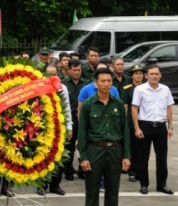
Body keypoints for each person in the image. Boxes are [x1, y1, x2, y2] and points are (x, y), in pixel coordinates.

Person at [78, 68, 131, 206]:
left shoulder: (118, 103)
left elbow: (124, 130)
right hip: (94, 150)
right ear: (96, 83)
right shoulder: (88, 105)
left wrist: (126, 155)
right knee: (92, 191)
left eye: (109, 81)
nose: (106, 84)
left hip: (115, 150)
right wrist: (83, 157)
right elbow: (82, 132)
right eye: (102, 81)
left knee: (113, 192)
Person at [132, 65, 175, 195]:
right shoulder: (140, 89)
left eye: (156, 74)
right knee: (143, 157)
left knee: (162, 157)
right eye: (151, 74)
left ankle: (162, 185)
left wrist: (170, 126)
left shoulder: (165, 89)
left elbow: (169, 108)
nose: (154, 76)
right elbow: (134, 109)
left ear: (160, 75)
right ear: (146, 75)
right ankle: (144, 184)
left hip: (161, 127)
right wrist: (137, 128)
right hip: (145, 126)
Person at [37, 65, 73, 196]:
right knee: (42, 157)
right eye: (49, 74)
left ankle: (55, 185)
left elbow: (67, 108)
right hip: (43, 127)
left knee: (58, 157)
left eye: (54, 74)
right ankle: (41, 185)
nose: (52, 76)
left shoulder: (63, 88)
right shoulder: (38, 88)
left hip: (59, 127)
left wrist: (69, 127)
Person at [61, 59, 88, 180]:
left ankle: (83, 170)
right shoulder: (64, 84)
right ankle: (68, 171)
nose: (77, 73)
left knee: (82, 145)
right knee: (69, 146)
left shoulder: (86, 83)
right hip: (69, 118)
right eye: (74, 70)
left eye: (79, 70)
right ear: (69, 70)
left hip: (83, 118)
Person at [120, 64, 145, 182]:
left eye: (140, 73)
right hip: (131, 121)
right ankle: (132, 171)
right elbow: (125, 107)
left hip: (145, 121)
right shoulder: (127, 88)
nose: (138, 75)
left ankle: (141, 171)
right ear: (132, 76)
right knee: (132, 147)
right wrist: (124, 122)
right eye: (136, 73)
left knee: (143, 148)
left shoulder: (147, 87)